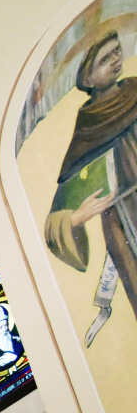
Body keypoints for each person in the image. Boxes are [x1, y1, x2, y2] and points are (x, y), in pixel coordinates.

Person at [44, 30, 137, 334]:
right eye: (104, 60)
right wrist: (76, 218)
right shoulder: (88, 127)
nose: (115, 60)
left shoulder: (136, 89)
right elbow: (55, 218)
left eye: (116, 51)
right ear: (88, 78)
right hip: (125, 222)